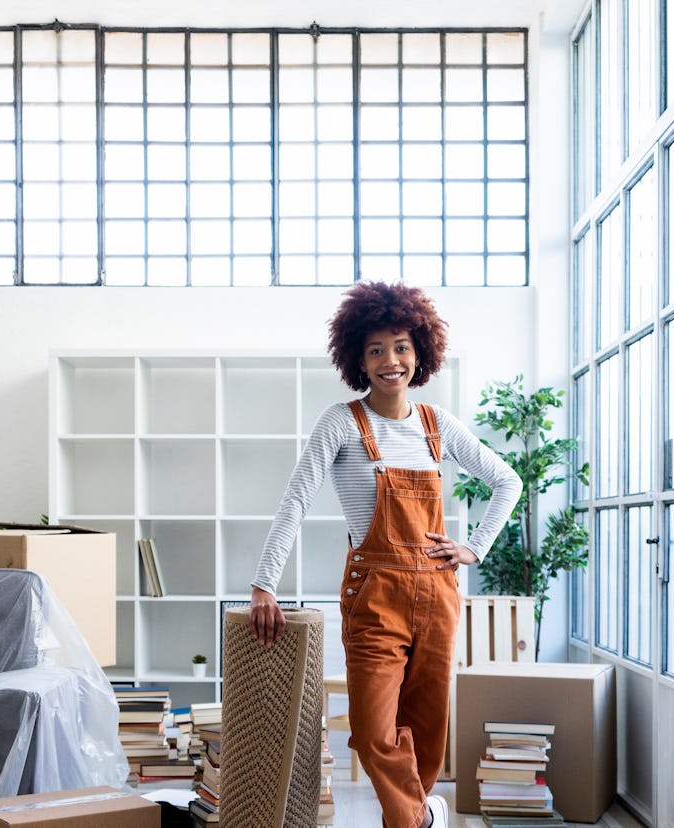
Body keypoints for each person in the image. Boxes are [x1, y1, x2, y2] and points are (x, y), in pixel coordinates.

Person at [249, 280, 522, 828]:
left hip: (438, 593)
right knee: (374, 731)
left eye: (400, 346)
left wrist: (472, 548)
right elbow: (297, 498)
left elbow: (507, 481)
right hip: (375, 597)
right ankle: (421, 816)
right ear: (357, 358)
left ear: (419, 352)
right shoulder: (341, 422)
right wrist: (264, 583)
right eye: (375, 349)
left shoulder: (438, 425)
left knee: (425, 726)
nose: (389, 360)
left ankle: (409, 818)